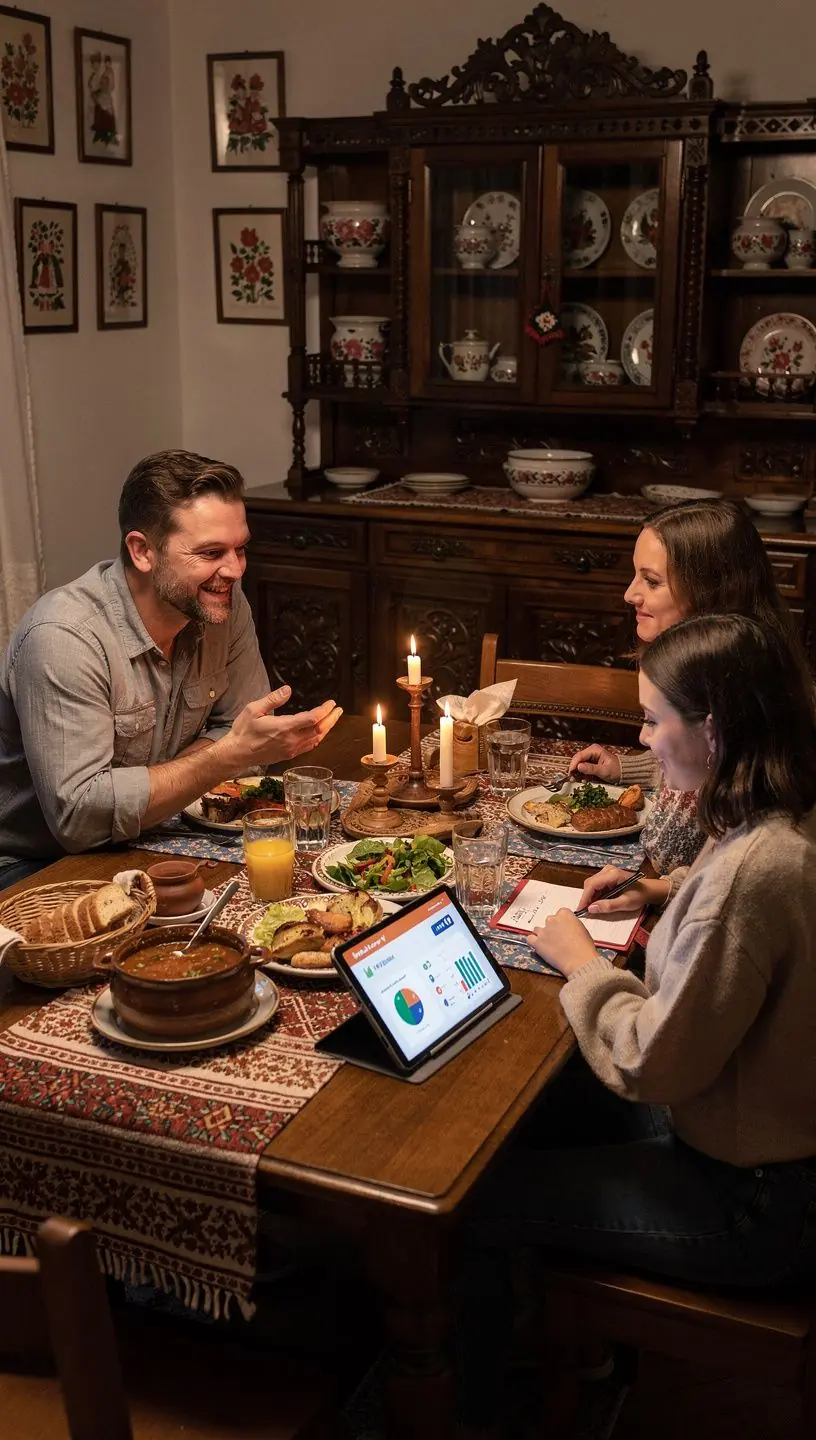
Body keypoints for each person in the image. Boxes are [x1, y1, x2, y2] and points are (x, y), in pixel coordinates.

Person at [461, 614, 816, 1430]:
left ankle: (474, 1411)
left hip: (756, 1205)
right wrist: (666, 892)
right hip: (761, 1141)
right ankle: (568, 1344)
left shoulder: (752, 878)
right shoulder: (785, 816)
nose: (646, 742)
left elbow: (651, 1065)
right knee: (537, 1112)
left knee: (476, 1199)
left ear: (715, 729)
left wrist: (579, 962)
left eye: (655, 720)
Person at [0, 449, 342, 890]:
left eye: (241, 549)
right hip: (38, 867)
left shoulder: (220, 605)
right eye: (211, 552)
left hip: (161, 834)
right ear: (142, 551)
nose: (235, 570)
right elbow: (79, 817)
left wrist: (199, 766)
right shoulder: (64, 638)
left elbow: (244, 729)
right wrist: (223, 756)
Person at [568, 498, 802, 873]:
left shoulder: (754, 735)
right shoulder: (706, 687)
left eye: (652, 580)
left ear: (711, 592)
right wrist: (628, 770)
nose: (630, 594)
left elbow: (723, 878)